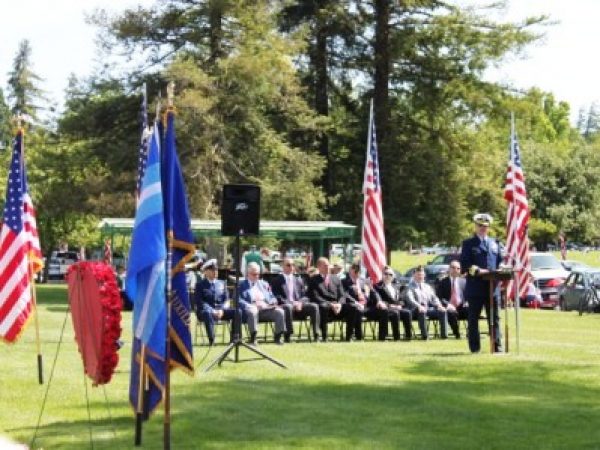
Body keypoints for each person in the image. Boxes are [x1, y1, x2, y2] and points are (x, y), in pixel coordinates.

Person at [459, 213, 503, 353]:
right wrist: (478, 271)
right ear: (475, 226)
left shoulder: (495, 243)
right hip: (475, 287)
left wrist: (502, 269)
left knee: (494, 319)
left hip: (492, 288)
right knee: (473, 320)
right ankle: (475, 348)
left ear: (488, 227)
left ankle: (496, 347)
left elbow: (500, 262)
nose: (483, 228)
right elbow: (465, 265)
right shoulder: (468, 244)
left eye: (485, 226)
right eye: (480, 226)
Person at [308, 257, 359, 341]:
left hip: (338, 306)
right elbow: (315, 296)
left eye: (328, 265)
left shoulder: (335, 278)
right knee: (323, 307)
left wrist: (339, 304)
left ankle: (349, 337)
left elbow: (342, 295)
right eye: (325, 266)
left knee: (352, 307)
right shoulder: (314, 280)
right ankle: (324, 336)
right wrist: (330, 304)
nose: (327, 267)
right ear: (319, 267)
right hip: (325, 307)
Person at [271, 258, 321, 342]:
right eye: (288, 265)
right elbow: (277, 296)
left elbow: (305, 295)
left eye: (293, 265)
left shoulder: (298, 279)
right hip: (286, 305)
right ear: (283, 267)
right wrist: (292, 303)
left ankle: (316, 334)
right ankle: (288, 335)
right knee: (288, 307)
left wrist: (300, 303)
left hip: (299, 306)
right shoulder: (277, 280)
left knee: (314, 306)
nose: (291, 267)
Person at [238, 262, 286, 345]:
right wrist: (250, 306)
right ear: (248, 274)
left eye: (258, 274)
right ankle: (253, 338)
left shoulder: (264, 284)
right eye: (254, 274)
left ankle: (278, 336)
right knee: (253, 311)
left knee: (280, 312)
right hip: (250, 309)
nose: (256, 276)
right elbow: (238, 300)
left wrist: (272, 302)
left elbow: (272, 296)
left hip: (265, 309)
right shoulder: (241, 285)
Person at [194, 259, 235, 346]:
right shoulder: (200, 285)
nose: (215, 272)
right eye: (212, 270)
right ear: (205, 272)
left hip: (221, 311)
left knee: (237, 311)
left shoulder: (222, 283)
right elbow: (200, 302)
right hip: (206, 312)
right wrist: (213, 311)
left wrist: (222, 310)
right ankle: (211, 340)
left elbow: (227, 300)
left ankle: (235, 338)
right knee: (207, 313)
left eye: (216, 270)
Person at [342, 263, 385, 340]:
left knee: (383, 310)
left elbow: (373, 292)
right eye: (354, 269)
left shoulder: (364, 281)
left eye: (358, 269)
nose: (356, 271)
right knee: (357, 310)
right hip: (355, 306)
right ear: (350, 271)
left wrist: (379, 301)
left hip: (366, 306)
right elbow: (345, 295)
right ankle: (359, 337)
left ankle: (382, 337)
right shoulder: (344, 282)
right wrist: (356, 303)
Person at [406, 266, 450, 339]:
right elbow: (410, 299)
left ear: (424, 276)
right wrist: (419, 306)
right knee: (422, 311)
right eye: (418, 275)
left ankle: (444, 335)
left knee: (442, 311)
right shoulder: (409, 287)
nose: (420, 276)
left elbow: (434, 298)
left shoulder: (427, 287)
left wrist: (439, 305)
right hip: (415, 310)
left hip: (428, 308)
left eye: (422, 275)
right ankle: (425, 336)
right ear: (414, 275)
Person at [374, 265, 413, 340]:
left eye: (390, 274)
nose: (388, 276)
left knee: (407, 313)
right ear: (382, 275)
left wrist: (400, 305)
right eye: (386, 274)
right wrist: (390, 305)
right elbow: (378, 299)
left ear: (393, 276)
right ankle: (396, 337)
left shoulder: (396, 286)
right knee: (395, 313)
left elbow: (401, 299)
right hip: (385, 309)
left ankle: (408, 336)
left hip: (397, 307)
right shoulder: (378, 286)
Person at [434, 260, 464, 338]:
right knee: (451, 312)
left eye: (458, 268)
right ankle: (457, 334)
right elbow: (439, 297)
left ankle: (472, 334)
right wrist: (448, 305)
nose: (455, 270)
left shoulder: (464, 282)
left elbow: (468, 296)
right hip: (448, 307)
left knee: (472, 311)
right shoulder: (442, 282)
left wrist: (467, 302)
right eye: (453, 268)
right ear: (449, 269)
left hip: (462, 306)